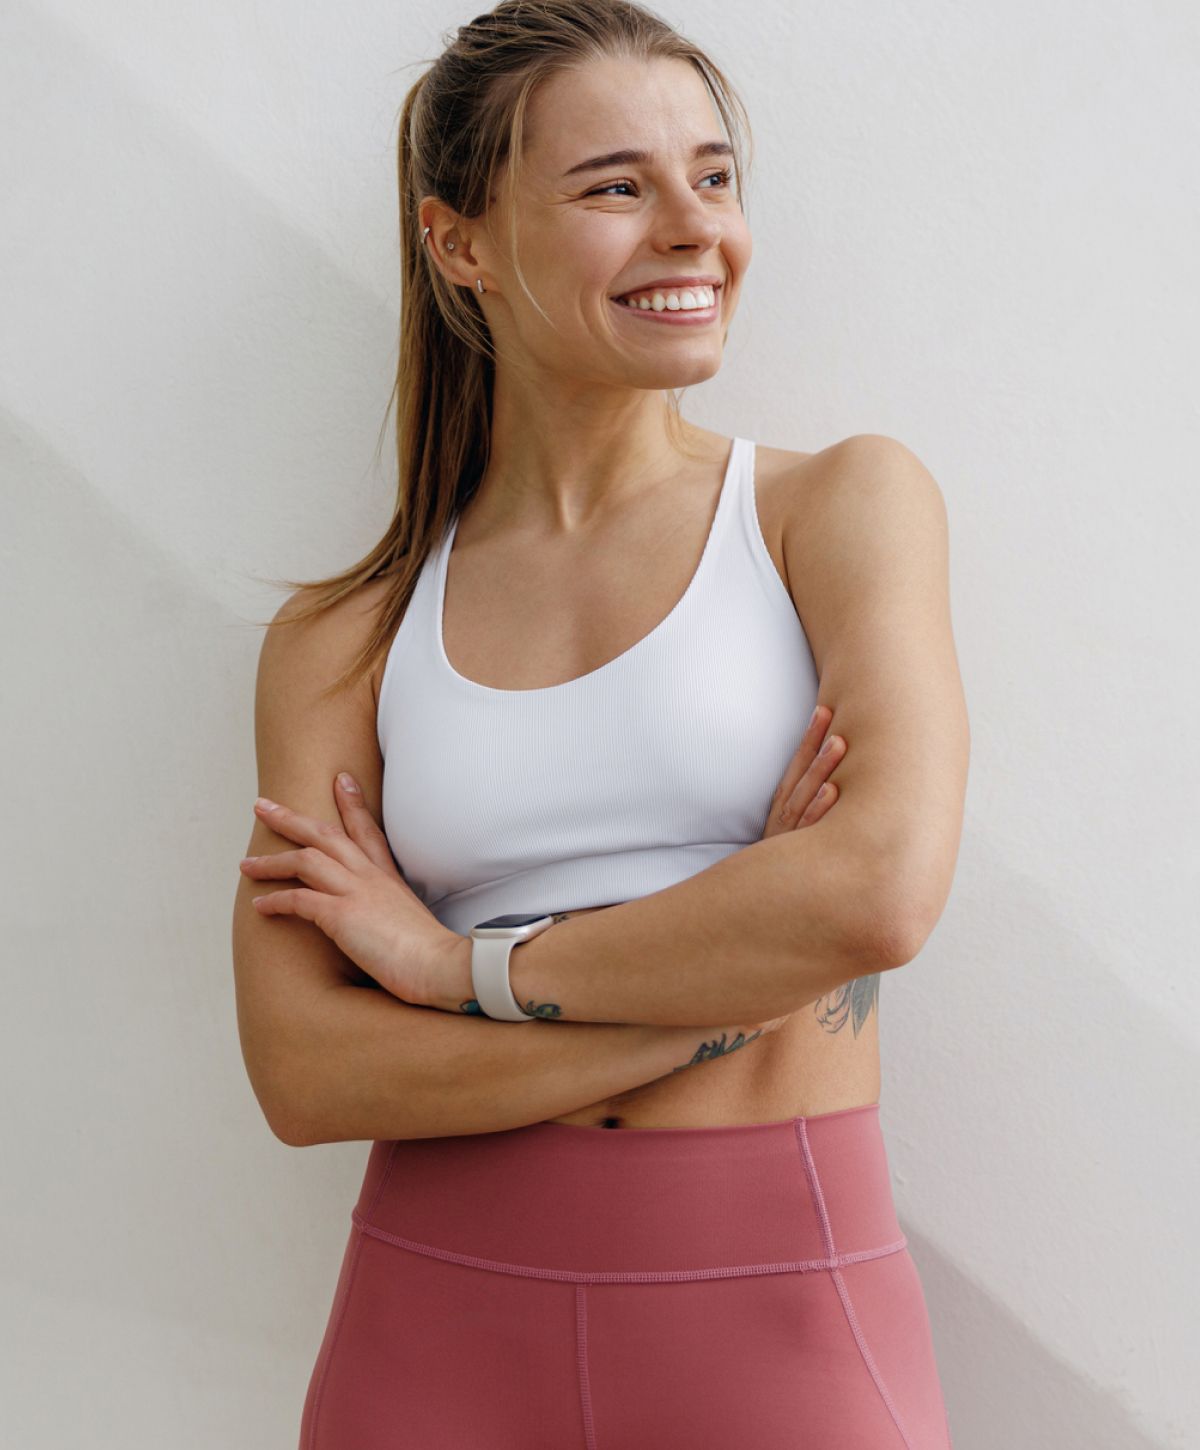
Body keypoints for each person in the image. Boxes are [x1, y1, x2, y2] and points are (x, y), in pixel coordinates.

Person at [231, 2, 970, 1445]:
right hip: (431, 1327)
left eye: (714, 174)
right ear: (460, 244)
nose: (694, 226)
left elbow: (877, 890)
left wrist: (457, 968)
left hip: (780, 1310)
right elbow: (306, 1072)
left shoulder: (838, 510)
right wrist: (727, 989)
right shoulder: (345, 636)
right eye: (615, 185)